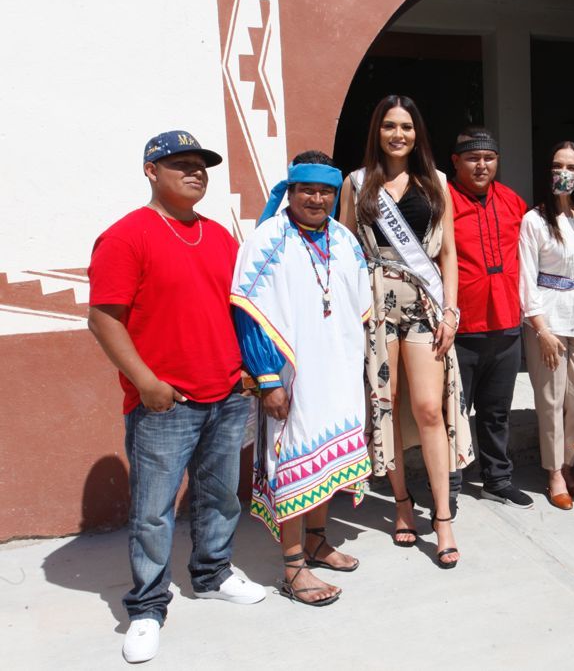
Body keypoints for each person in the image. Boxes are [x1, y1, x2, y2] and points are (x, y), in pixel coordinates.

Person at [88, 131, 265, 663]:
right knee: (153, 511)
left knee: (219, 497)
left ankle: (211, 575)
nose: (195, 172)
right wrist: (145, 382)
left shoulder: (219, 237)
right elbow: (102, 318)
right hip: (166, 402)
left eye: (201, 165)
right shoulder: (126, 236)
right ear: (150, 171)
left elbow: (240, 310)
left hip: (227, 392)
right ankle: (146, 607)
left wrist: (248, 374)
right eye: (180, 164)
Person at [338, 95, 472, 569]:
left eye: (407, 127)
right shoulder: (356, 183)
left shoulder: (435, 181)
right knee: (388, 403)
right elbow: (347, 247)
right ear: (377, 131)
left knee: (429, 409)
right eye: (390, 126)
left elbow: (448, 254)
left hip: (425, 305)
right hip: (377, 305)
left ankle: (442, 518)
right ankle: (400, 505)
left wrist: (451, 312)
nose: (399, 134)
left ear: (418, 134)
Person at [233, 151, 371, 605]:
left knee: (325, 463)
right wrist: (268, 379)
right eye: (306, 190)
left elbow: (359, 308)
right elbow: (249, 314)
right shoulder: (268, 238)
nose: (316, 198)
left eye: (325, 191)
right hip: (293, 375)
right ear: (290, 191)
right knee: (294, 462)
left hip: (337, 370)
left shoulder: (345, 239)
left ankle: (315, 539)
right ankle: (292, 568)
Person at [447, 127, 534, 509]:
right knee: (453, 415)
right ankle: (447, 485)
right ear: (456, 162)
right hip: (459, 331)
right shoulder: (442, 200)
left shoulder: (514, 202)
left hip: (505, 327)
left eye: (489, 158)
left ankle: (497, 479)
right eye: (472, 157)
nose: (482, 165)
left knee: (496, 412)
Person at [519, 141, 574, 510]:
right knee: (551, 400)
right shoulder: (534, 220)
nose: (563, 173)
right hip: (548, 317)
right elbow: (526, 278)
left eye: (571, 167)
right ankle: (554, 472)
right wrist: (541, 328)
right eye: (557, 166)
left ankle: (569, 462)